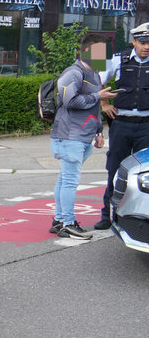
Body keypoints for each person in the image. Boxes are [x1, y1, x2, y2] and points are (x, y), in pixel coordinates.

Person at [48, 33, 116, 240]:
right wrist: (99, 96)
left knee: (65, 179)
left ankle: (60, 220)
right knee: (69, 181)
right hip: (69, 135)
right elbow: (70, 101)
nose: (104, 57)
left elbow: (93, 107)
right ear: (86, 51)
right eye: (99, 52)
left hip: (83, 135)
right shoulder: (73, 73)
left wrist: (98, 132)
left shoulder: (93, 73)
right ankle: (68, 223)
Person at [96, 21, 149, 230]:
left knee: (144, 173)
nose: (147, 47)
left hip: (146, 125)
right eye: (143, 42)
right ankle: (106, 215)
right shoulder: (119, 59)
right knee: (114, 169)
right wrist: (103, 103)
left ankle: (139, 218)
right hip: (122, 124)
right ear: (134, 41)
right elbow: (96, 80)